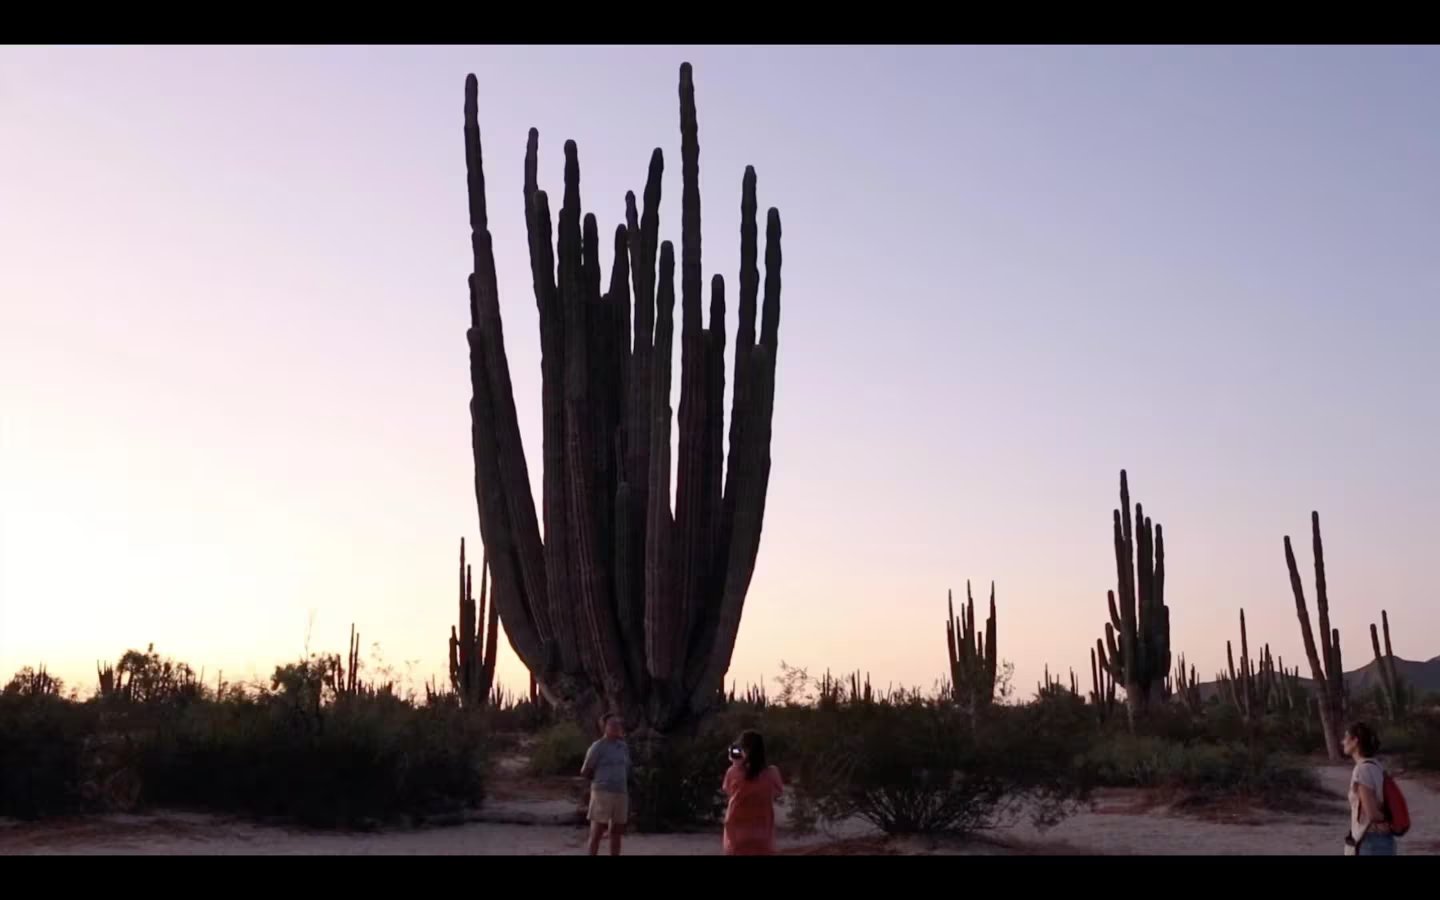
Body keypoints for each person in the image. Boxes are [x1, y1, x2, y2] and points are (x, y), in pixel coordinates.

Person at [722, 730, 784, 855]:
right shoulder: (772, 772)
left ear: (742, 749)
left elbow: (727, 790)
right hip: (762, 833)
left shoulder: (733, 772)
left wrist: (735, 764)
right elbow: (778, 792)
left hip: (736, 833)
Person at [1343, 721, 1396, 856]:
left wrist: (1387, 819)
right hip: (1383, 840)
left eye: (1346, 737)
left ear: (1355, 741)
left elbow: (1371, 813)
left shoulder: (1362, 770)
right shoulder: (1377, 766)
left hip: (1370, 842)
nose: (1342, 742)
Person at [581, 713, 630, 856]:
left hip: (621, 792)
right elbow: (585, 770)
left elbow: (626, 768)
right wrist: (599, 782)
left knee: (616, 832)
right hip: (602, 793)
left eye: (618, 724)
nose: (616, 727)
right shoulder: (597, 747)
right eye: (612, 724)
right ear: (604, 727)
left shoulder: (623, 747)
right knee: (597, 831)